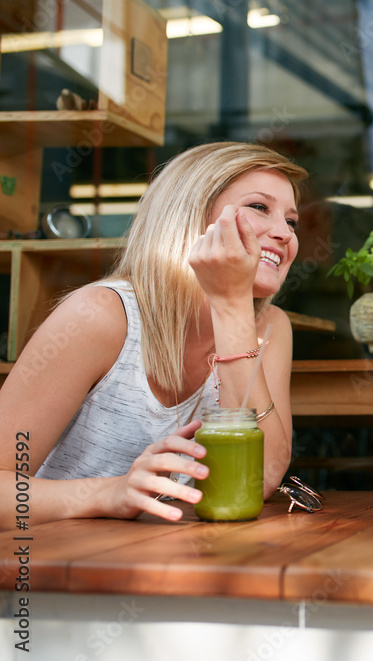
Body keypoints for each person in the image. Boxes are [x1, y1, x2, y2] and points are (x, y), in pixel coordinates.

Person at [0, 141, 306, 525]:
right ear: (190, 218)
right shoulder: (99, 315)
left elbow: (262, 477)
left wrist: (231, 308)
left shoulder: (271, 326)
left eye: (291, 221)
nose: (284, 233)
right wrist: (107, 493)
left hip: (175, 563)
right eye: (260, 207)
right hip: (52, 568)